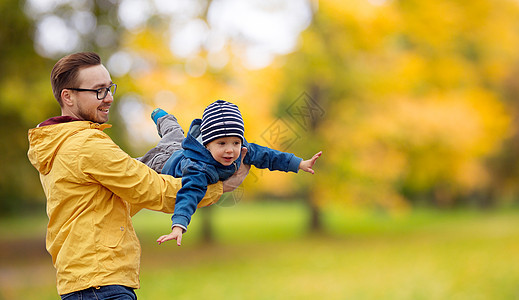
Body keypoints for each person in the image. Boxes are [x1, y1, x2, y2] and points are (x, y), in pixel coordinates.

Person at [27, 52, 249, 299]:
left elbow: (120, 200)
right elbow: (152, 190)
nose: (109, 98)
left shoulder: (60, 143)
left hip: (90, 281)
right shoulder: (85, 145)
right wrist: (221, 187)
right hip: (100, 285)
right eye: (99, 91)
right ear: (68, 96)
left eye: (110, 88)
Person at [142, 100, 322, 246]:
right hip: (163, 162)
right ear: (207, 144)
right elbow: (189, 194)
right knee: (154, 150)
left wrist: (299, 163)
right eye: (222, 144)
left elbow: (268, 156)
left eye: (235, 142)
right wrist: (178, 226)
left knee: (175, 135)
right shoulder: (199, 168)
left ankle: (163, 118)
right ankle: (162, 116)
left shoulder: (242, 150)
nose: (230, 150)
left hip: (181, 149)